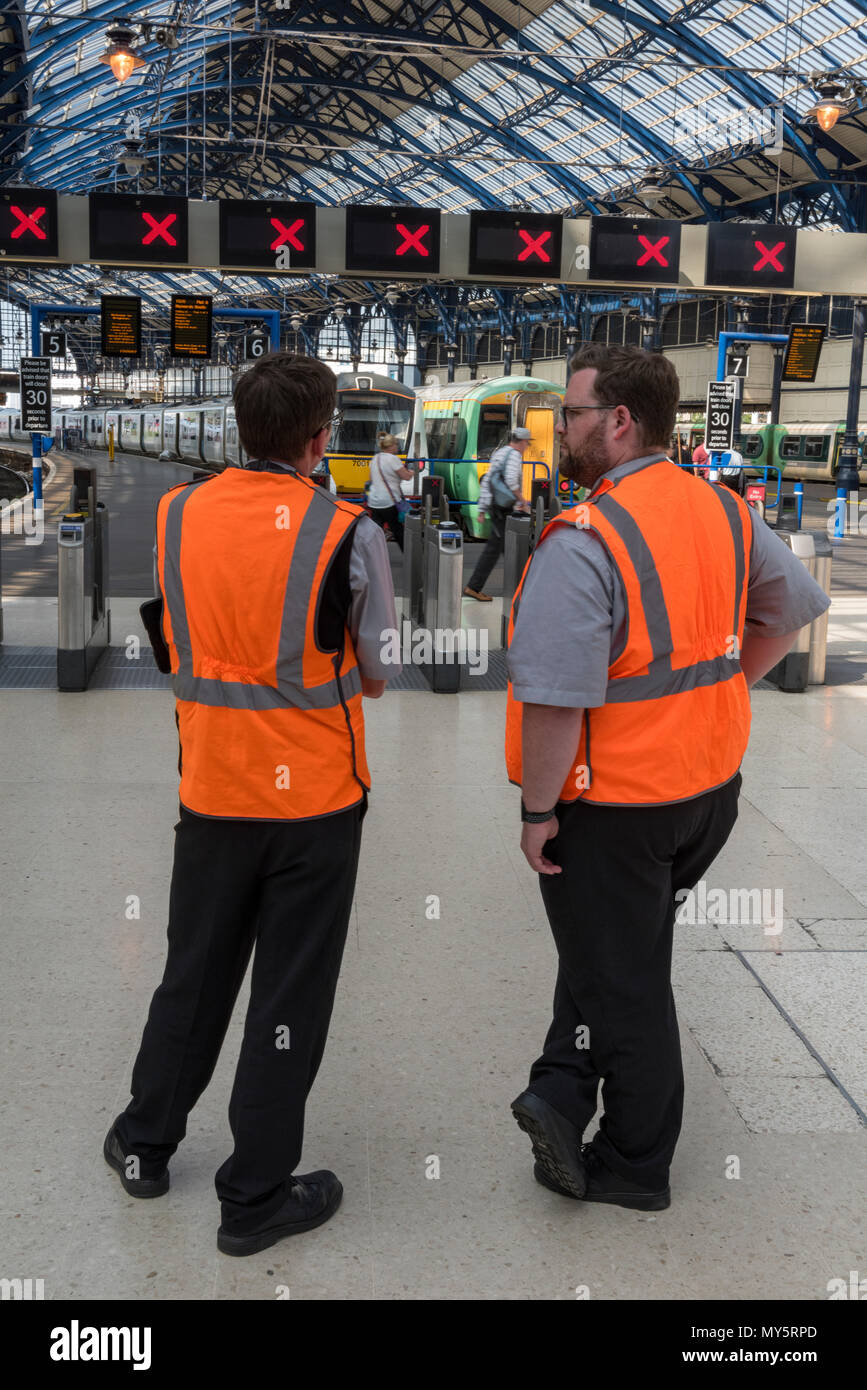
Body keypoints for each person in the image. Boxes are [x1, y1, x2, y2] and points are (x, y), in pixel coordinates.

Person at [505, 343, 831, 1212]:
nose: (562, 429)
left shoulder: (585, 537)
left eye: (571, 414)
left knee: (627, 980)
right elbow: (794, 606)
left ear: (617, 421)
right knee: (616, 950)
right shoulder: (724, 511)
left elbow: (552, 700)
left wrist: (539, 811)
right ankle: (559, 1088)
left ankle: (634, 1163)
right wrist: (722, 690)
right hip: (706, 796)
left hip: (613, 804)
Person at [105, 352, 400, 1257]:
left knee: (192, 971)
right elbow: (379, 671)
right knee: (286, 994)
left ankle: (145, 1145)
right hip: (313, 805)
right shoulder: (349, 533)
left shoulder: (178, 512)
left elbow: (182, 625)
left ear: (240, 426)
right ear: (320, 439)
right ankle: (255, 1196)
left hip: (212, 790)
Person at [463, 426, 532, 601]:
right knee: (499, 549)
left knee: (510, 547)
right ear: (522, 442)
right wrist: (522, 501)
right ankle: (474, 586)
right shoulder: (515, 456)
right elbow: (510, 480)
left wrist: (483, 508)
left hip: (496, 506)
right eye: (527, 443)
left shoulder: (500, 453)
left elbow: (488, 481)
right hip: (504, 508)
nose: (527, 446)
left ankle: (526, 585)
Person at [366, 432, 414, 550]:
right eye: (396, 444)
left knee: (376, 531)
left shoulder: (375, 459)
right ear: (391, 446)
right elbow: (406, 476)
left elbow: (371, 479)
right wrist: (412, 472)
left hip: (374, 501)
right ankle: (410, 556)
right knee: (397, 529)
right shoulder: (393, 459)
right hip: (388, 501)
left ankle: (371, 555)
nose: (397, 447)